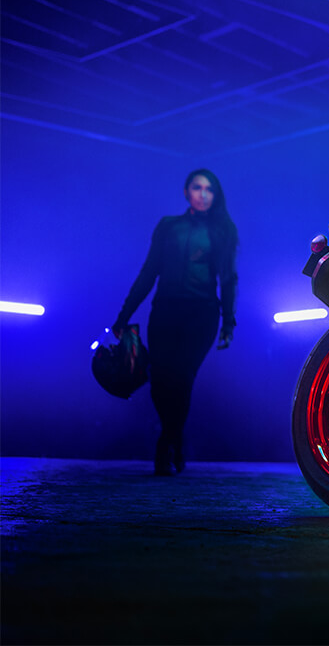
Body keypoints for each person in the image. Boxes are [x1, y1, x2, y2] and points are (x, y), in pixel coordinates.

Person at [113, 169, 238, 476]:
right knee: (159, 382)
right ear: (186, 192)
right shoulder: (169, 226)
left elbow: (228, 279)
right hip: (165, 311)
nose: (203, 194)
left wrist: (228, 322)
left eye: (210, 189)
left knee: (181, 379)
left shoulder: (223, 229)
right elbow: (148, 272)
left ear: (215, 194)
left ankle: (165, 444)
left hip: (202, 315)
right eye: (197, 187)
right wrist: (124, 314)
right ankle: (176, 438)